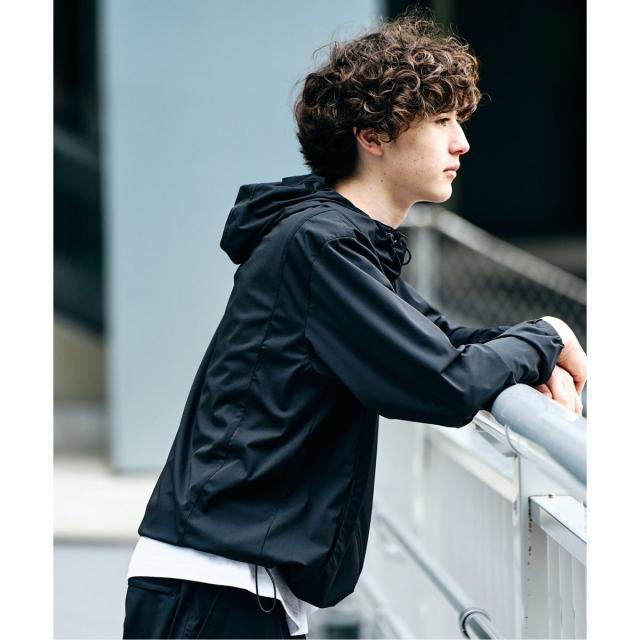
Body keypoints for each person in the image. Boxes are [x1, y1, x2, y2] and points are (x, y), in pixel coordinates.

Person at [122, 8, 586, 639]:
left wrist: (538, 347)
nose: (462, 143)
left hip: (234, 586)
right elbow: (442, 380)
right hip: (215, 592)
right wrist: (550, 336)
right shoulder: (322, 244)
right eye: (441, 121)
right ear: (373, 135)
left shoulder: (340, 241)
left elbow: (444, 343)